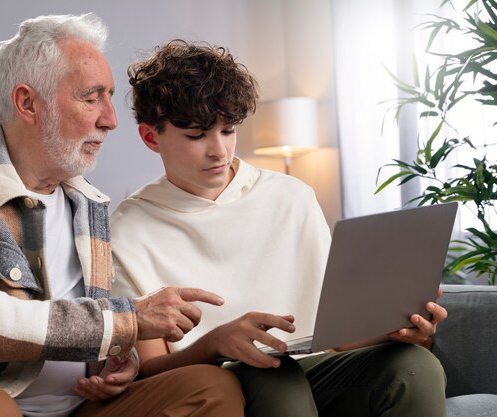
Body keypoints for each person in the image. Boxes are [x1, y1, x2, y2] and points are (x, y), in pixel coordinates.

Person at [0, 16, 247, 417]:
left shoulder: (88, 202)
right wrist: (127, 320)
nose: (111, 119)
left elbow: (90, 330)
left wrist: (118, 362)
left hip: (77, 407)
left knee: (212, 387)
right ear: (28, 103)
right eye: (91, 98)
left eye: (110, 97)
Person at [111, 39, 448, 417]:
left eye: (228, 130)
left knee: (415, 367)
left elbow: (335, 338)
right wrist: (214, 344)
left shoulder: (291, 196)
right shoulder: (128, 229)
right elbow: (149, 373)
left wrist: (397, 328)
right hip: (229, 385)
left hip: (312, 371)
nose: (219, 151)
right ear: (151, 137)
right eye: (197, 135)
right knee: (276, 376)